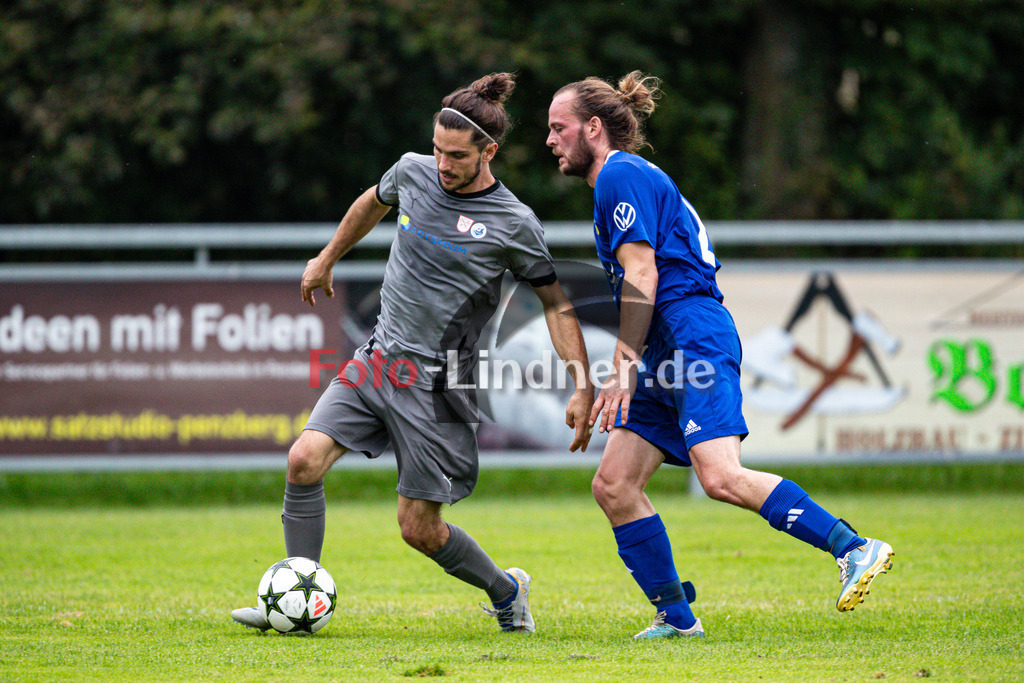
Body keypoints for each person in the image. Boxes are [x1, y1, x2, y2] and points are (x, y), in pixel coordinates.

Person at [232, 72, 595, 634]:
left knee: (418, 528)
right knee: (303, 461)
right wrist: (327, 257)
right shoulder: (413, 172)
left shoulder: (515, 223)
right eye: (437, 150)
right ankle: (297, 602)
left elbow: (554, 303)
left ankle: (506, 590)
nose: (443, 165)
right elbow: (372, 203)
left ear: (488, 152)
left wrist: (581, 382)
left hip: (439, 386)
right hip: (379, 358)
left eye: (456, 156)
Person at [546, 71, 893, 639]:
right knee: (614, 484)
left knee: (721, 476)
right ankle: (677, 619)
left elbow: (642, 272)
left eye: (559, 128)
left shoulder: (620, 174)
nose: (551, 139)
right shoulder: (623, 180)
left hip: (690, 332)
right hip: (667, 340)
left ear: (593, 127)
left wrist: (619, 373)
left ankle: (853, 546)